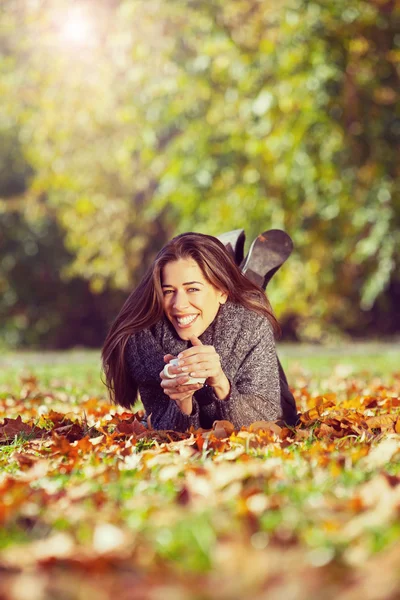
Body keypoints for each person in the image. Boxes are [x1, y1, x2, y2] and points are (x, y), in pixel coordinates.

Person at [101, 232, 298, 431]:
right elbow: (164, 427)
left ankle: (245, 285)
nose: (179, 305)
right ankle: (233, 276)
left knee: (287, 413)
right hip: (221, 303)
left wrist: (221, 383)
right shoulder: (144, 337)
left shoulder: (252, 323)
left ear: (222, 292)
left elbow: (267, 417)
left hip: (239, 322)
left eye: (192, 289)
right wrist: (182, 401)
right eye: (168, 291)